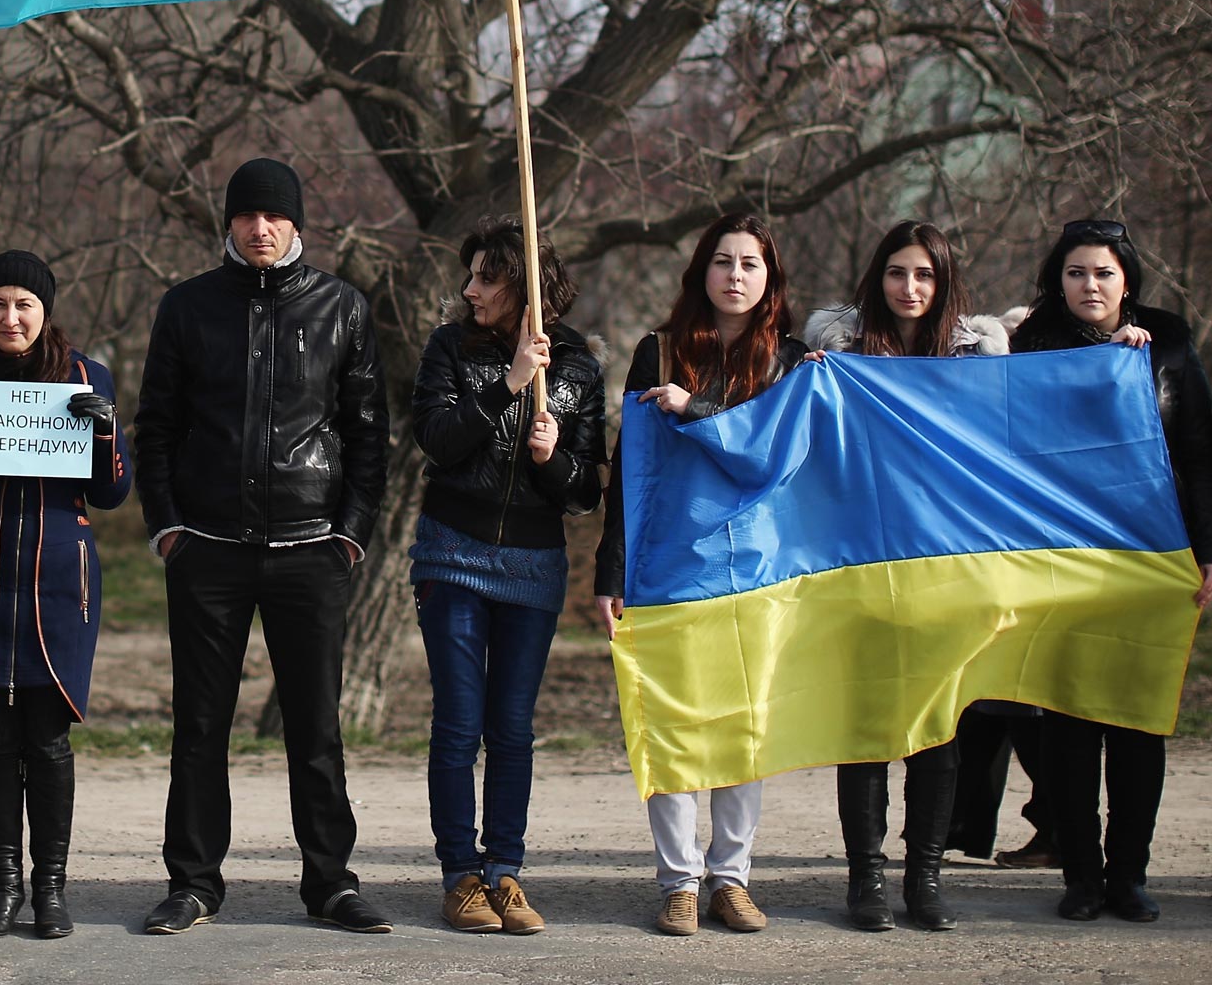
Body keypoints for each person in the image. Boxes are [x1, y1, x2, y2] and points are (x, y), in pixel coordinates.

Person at [134, 158, 390, 935]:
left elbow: (369, 434)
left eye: (274, 217)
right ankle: (194, 882)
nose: (260, 229)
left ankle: (331, 884)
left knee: (315, 727)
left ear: (297, 224)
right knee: (200, 725)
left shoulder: (343, 307)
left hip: (312, 549)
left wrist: (350, 533)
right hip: (206, 547)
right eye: (247, 216)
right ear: (229, 222)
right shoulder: (186, 308)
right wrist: (168, 525)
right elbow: (156, 428)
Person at [1008, 217, 1212, 923]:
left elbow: (1197, 454)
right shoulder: (1031, 344)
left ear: (1126, 279)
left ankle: (1128, 875)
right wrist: (1105, 367)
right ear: (1058, 280)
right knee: (1069, 723)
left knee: (1139, 722)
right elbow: (1020, 445)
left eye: (1102, 272)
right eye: (1076, 273)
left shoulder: (1166, 343)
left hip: (1152, 556)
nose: (1089, 284)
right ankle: (1080, 877)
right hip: (1064, 557)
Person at [595, 212, 806, 937]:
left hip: (759, 570)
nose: (736, 275)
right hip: (667, 567)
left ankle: (732, 879)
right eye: (723, 261)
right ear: (701, 272)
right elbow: (629, 471)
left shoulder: (792, 361)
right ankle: (679, 882)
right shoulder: (656, 353)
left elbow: (775, 456)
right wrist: (610, 568)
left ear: (770, 279)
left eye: (751, 264)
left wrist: (700, 409)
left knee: (743, 733)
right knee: (675, 725)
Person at [0, 250, 133, 941]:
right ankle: (2, 886)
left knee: (46, 740)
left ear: (46, 310)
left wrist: (104, 429)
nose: (11, 318)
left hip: (57, 582)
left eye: (25, 305)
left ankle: (51, 889)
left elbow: (111, 493)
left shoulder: (83, 377)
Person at [802, 219, 1007, 932]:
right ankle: (866, 881)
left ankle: (925, 879)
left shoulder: (976, 361)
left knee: (938, 727)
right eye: (897, 273)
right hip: (858, 560)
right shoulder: (839, 352)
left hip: (947, 564)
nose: (910, 288)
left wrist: (1128, 343)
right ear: (877, 278)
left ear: (944, 281)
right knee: (868, 727)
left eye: (924, 275)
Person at [409, 218, 604, 934]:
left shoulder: (578, 363)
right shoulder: (449, 348)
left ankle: (506, 872)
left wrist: (556, 460)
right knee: (460, 723)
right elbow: (437, 439)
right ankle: (460, 874)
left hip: (534, 563)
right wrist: (508, 386)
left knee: (512, 729)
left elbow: (585, 492)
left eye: (488, 277)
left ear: (525, 284)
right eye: (472, 275)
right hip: (453, 553)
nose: (471, 289)